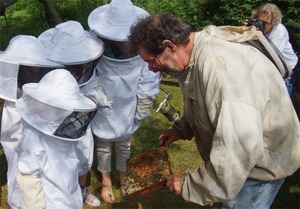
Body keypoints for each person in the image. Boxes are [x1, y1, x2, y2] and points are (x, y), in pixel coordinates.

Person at [127, 13, 300, 208]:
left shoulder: (219, 69)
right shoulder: (195, 56)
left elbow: (239, 148)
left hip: (258, 169)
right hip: (242, 165)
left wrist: (189, 183)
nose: (151, 68)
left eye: (151, 60)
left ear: (169, 46)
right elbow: (205, 103)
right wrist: (181, 129)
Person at [86, 0, 160, 203]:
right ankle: (106, 180)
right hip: (104, 103)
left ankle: (123, 176)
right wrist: (94, 92)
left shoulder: (143, 44)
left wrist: (144, 101)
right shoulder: (94, 41)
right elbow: (85, 70)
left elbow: (149, 73)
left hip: (128, 103)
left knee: (124, 143)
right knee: (103, 143)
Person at [38, 20, 104, 207]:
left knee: (83, 155)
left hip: (80, 118)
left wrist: (92, 100)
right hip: (55, 118)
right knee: (56, 161)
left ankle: (82, 190)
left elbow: (92, 88)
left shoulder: (87, 66)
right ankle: (61, 193)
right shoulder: (49, 65)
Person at [15, 69, 98, 209]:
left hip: (69, 194)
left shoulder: (65, 131)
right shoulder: (33, 137)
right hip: (50, 202)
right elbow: (28, 179)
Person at [0, 35, 63, 209]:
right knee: (17, 168)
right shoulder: (11, 107)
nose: (34, 72)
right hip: (19, 146)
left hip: (39, 160)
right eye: (29, 68)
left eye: (37, 69)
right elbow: (10, 140)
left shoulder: (40, 96)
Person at [244, 3, 299, 96]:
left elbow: (270, 54)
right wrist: (245, 31)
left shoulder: (279, 30)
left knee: (283, 97)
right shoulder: (256, 29)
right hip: (269, 67)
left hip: (286, 68)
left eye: (264, 23)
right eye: (258, 21)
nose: (260, 25)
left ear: (273, 22)